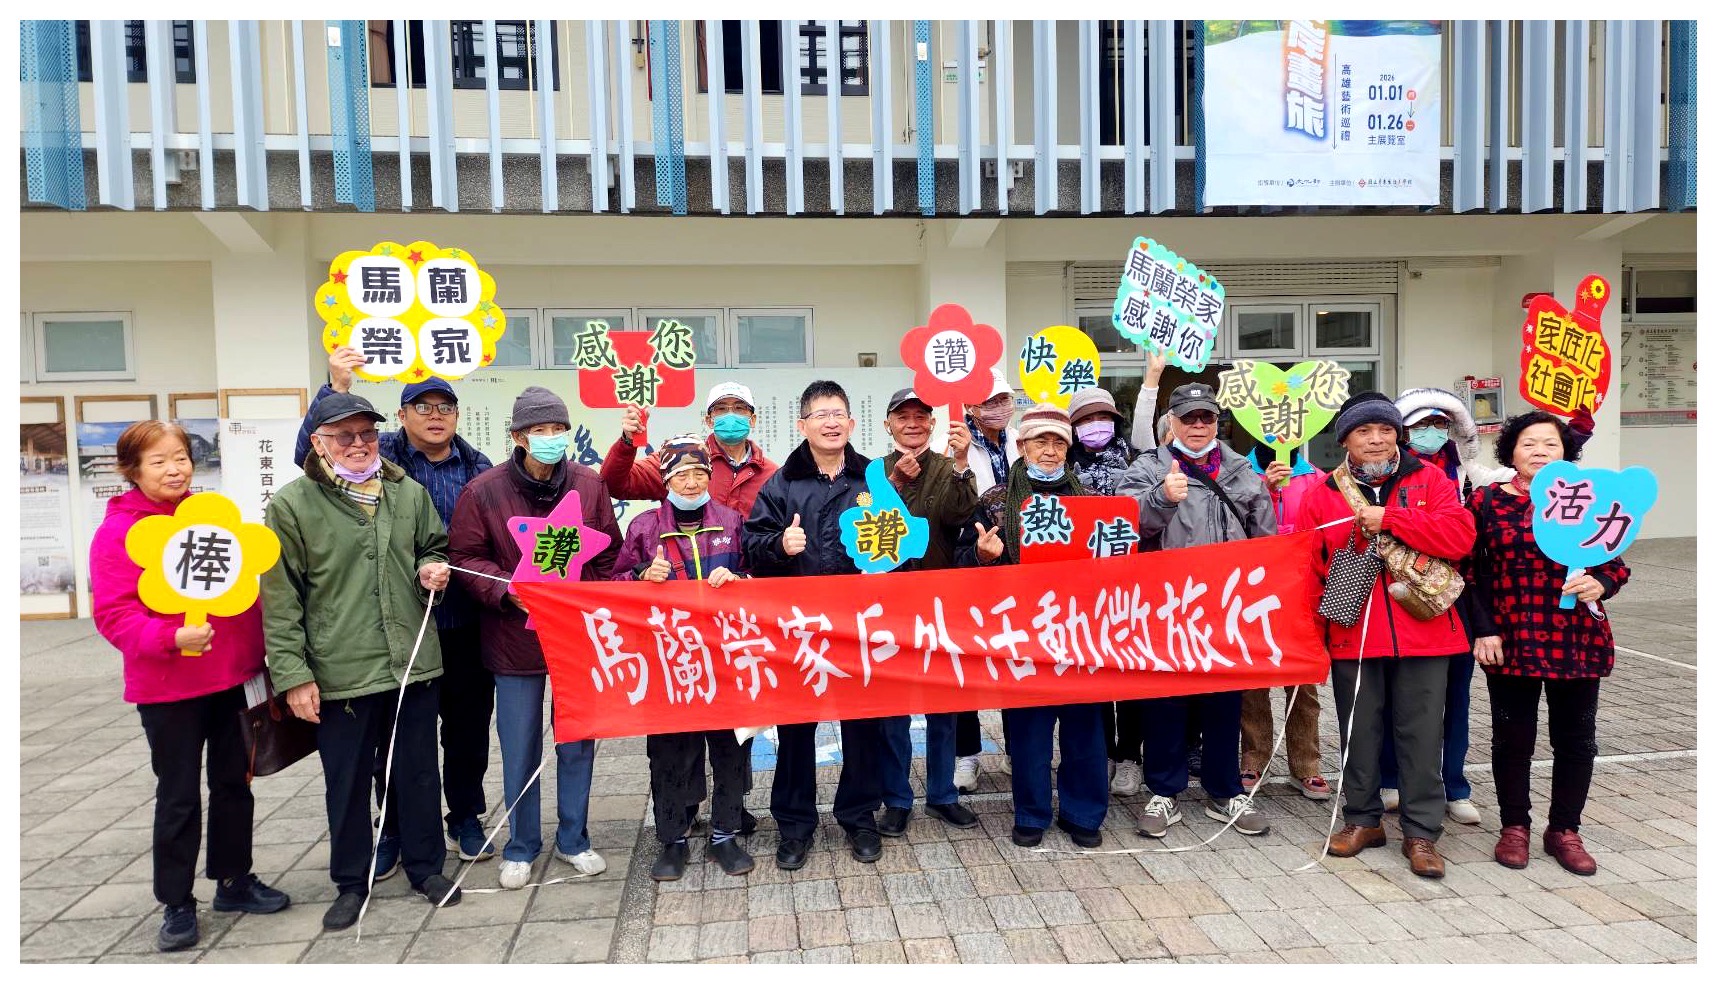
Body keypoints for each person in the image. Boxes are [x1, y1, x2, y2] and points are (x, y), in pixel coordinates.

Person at [263, 393, 462, 929]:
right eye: (343, 436)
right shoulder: (292, 505)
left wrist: (432, 568)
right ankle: (351, 881)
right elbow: (281, 601)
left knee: (419, 773)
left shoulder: (407, 492)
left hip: (413, 660)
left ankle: (426, 869)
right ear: (319, 444)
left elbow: (433, 546)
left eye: (366, 435)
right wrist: (294, 676)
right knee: (347, 781)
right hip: (340, 670)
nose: (357, 444)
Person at [90, 421, 291, 951]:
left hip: (230, 680)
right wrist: (170, 636)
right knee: (177, 796)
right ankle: (176, 902)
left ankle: (233, 879)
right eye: (158, 461)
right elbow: (113, 614)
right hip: (167, 688)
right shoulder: (119, 533)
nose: (174, 469)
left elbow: (244, 589)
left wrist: (258, 658)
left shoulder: (209, 519)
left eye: (179, 457)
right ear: (132, 470)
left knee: (234, 784)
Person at [293, 348, 496, 869]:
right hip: (394, 628)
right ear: (402, 416)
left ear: (456, 415)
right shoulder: (377, 453)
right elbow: (310, 453)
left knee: (467, 729)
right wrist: (335, 388)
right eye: (421, 406)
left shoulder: (479, 468)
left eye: (444, 407)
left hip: (464, 623)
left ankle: (466, 816)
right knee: (396, 734)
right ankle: (394, 828)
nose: (434, 415)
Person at [1297, 392, 1477, 879]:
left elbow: (1460, 539)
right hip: (1352, 631)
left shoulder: (1430, 479)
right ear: (1345, 442)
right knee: (1358, 732)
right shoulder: (1322, 494)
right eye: (1362, 432)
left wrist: (1392, 519)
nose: (1375, 439)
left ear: (1397, 433)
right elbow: (1310, 568)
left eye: (1384, 429)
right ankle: (1362, 819)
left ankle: (1421, 832)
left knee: (1420, 734)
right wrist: (1313, 637)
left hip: (1426, 631)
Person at [446, 386, 619, 890]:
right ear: (518, 436)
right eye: (539, 431)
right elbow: (466, 558)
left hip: (574, 636)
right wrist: (509, 593)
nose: (550, 439)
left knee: (577, 740)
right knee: (518, 745)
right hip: (512, 638)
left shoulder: (588, 485)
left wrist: (587, 598)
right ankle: (521, 846)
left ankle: (574, 838)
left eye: (557, 430)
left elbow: (608, 555)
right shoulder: (484, 491)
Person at [1466, 411, 1629, 875]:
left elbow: (1615, 562)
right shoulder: (1486, 502)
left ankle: (1564, 829)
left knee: (1576, 740)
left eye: (1550, 444)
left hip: (1575, 638)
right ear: (1511, 452)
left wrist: (1601, 583)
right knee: (1512, 740)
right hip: (1510, 636)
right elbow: (1468, 571)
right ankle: (1514, 826)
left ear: (1567, 451)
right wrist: (1484, 628)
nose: (1540, 451)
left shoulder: (1588, 499)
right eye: (1529, 443)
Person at [1117, 383, 1276, 839]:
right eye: (1189, 418)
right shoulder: (1146, 468)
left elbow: (1264, 540)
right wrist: (1160, 498)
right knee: (1165, 700)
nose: (1199, 426)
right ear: (1171, 422)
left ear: (1217, 422)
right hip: (1164, 607)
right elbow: (1123, 526)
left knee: (1223, 701)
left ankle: (1223, 791)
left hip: (1226, 607)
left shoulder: (1242, 470)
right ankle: (1164, 791)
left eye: (1206, 417)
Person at [742, 380, 889, 868]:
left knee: (863, 727)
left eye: (839, 413)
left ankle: (859, 817)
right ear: (802, 424)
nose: (831, 422)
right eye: (820, 413)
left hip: (857, 626)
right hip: (798, 628)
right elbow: (753, 545)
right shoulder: (782, 483)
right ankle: (795, 825)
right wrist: (779, 547)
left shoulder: (874, 479)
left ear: (851, 423)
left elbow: (899, 553)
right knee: (797, 729)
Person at [955, 404, 1109, 849]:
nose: (1050, 450)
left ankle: (1083, 812)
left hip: (1081, 635)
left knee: (1084, 730)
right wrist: (982, 557)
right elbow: (966, 566)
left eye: (1059, 441)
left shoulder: (1092, 503)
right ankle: (1032, 812)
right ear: (1021, 445)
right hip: (1022, 634)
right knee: (1028, 733)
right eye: (1040, 440)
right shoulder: (996, 501)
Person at [610, 440, 755, 881]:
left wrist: (739, 578)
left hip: (724, 659)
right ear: (666, 481)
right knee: (669, 753)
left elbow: (760, 577)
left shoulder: (732, 522)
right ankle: (672, 839)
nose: (691, 483)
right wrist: (640, 577)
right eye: (680, 476)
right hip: (666, 661)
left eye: (698, 474)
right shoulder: (644, 527)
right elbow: (612, 583)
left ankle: (724, 835)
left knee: (730, 749)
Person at [873, 389, 982, 837]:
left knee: (944, 705)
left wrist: (960, 463)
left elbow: (962, 514)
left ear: (933, 423)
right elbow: (867, 523)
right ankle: (897, 798)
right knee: (893, 708)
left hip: (940, 601)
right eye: (903, 416)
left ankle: (943, 795)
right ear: (888, 425)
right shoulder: (874, 470)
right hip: (888, 603)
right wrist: (895, 482)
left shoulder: (948, 466)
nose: (912, 423)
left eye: (921, 416)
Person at [1064, 369, 1160, 799]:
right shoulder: (1062, 466)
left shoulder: (1138, 457)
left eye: (1102, 418)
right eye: (1085, 420)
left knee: (1131, 676)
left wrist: (1152, 378)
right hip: (1081, 590)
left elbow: (1146, 418)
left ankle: (1129, 758)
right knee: (1094, 677)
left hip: (1132, 587)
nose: (1095, 426)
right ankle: (1100, 751)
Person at [937, 367, 1018, 792]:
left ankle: (1015, 746)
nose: (998, 409)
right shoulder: (952, 442)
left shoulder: (1022, 441)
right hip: (969, 561)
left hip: (1018, 567)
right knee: (966, 660)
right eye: (989, 402)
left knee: (1015, 657)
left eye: (1004, 400)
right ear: (970, 406)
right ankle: (966, 753)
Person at [1237, 444, 1331, 801]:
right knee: (1254, 680)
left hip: (1301, 592)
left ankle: (1307, 765)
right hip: (1252, 590)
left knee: (1303, 681)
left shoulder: (1317, 478)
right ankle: (1253, 759)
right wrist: (1266, 492)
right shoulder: (1239, 472)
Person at [601, 381, 779, 517]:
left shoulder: (772, 474)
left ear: (753, 419)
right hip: (691, 564)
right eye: (721, 409)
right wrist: (626, 442)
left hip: (748, 566)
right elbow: (615, 485)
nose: (731, 415)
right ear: (709, 420)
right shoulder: (680, 456)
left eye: (740, 408)